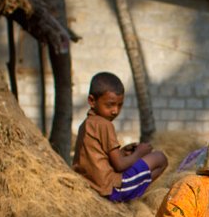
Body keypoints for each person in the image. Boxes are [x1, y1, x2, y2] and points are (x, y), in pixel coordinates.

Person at [72, 72, 168, 202]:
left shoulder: (86, 124)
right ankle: (134, 197)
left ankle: (136, 188)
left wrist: (122, 152)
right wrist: (140, 152)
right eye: (110, 105)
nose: (115, 111)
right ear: (92, 101)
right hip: (112, 188)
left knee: (139, 159)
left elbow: (99, 158)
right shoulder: (105, 125)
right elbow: (119, 166)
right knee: (160, 158)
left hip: (94, 183)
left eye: (119, 105)